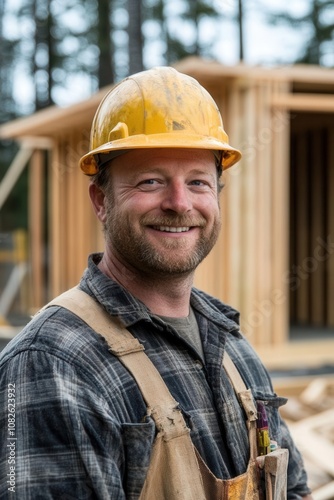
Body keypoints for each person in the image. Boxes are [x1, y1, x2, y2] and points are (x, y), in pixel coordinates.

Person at [0, 67, 313, 499]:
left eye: (198, 182)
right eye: (151, 181)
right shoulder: (53, 364)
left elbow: (292, 489)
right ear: (101, 200)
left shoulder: (232, 345)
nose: (179, 203)